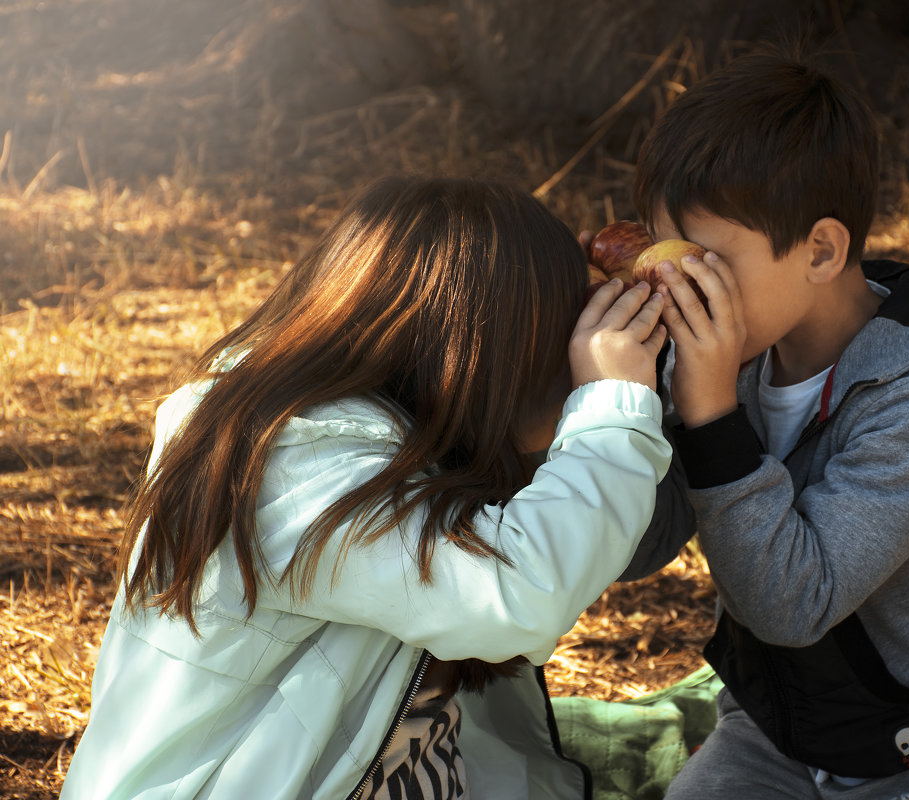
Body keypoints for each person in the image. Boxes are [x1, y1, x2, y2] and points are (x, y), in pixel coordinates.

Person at [61, 176, 675, 799]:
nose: (571, 369)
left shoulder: (410, 443)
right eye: (558, 344)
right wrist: (614, 401)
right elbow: (516, 592)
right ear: (498, 357)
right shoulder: (288, 462)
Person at [620, 45, 909, 799]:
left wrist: (710, 418)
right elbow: (642, 546)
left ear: (822, 250)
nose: (676, 285)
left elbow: (792, 603)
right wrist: (611, 410)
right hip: (781, 743)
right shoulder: (722, 357)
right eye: (663, 251)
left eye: (705, 260)